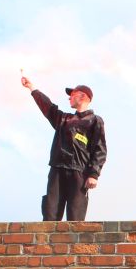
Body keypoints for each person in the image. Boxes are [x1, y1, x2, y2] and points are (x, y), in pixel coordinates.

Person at [21, 76, 106, 221]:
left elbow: (100, 149)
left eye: (72, 95)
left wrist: (94, 174)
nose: (69, 98)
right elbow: (48, 107)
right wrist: (32, 88)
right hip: (57, 170)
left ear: (83, 96)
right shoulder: (63, 119)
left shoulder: (95, 120)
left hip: (80, 173)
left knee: (75, 217)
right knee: (50, 214)